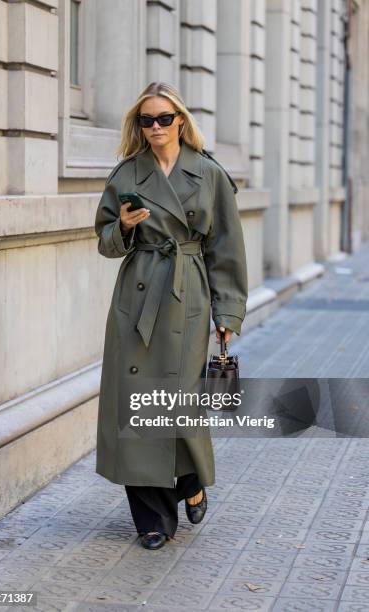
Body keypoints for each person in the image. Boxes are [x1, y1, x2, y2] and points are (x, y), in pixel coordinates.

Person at [94, 81, 248, 550]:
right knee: (134, 404)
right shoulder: (127, 174)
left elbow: (227, 247)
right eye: (147, 120)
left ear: (180, 120)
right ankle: (152, 519)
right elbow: (103, 240)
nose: (156, 127)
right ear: (138, 125)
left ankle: (190, 483)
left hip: (188, 292)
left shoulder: (209, 173)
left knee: (177, 402)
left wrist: (228, 312)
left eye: (164, 118)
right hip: (136, 298)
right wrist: (121, 226)